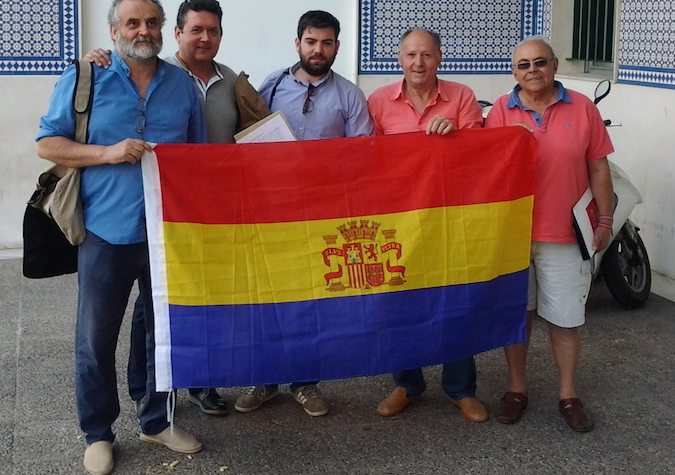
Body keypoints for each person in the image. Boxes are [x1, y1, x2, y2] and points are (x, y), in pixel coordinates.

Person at [36, 0, 208, 473]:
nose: (143, 30)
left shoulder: (181, 86)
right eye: (132, 22)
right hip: (105, 233)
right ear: (114, 31)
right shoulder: (86, 78)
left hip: (163, 235)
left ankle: (156, 421)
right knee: (95, 339)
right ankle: (98, 433)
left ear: (163, 30)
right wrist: (108, 152)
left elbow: (197, 158)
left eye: (152, 22)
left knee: (161, 335)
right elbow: (47, 143)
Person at [83, 0, 254, 417]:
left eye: (212, 31)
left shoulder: (218, 82)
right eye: (196, 29)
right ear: (176, 33)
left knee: (174, 318)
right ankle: (119, 410)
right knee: (115, 328)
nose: (205, 38)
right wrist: (109, 152)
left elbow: (216, 149)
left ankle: (171, 405)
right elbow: (49, 142)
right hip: (114, 225)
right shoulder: (103, 74)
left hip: (182, 222)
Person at [233, 10, 374, 417]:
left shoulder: (349, 95)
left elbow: (365, 156)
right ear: (298, 43)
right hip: (273, 212)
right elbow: (249, 136)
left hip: (322, 215)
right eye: (311, 41)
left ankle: (306, 383)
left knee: (313, 298)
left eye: (327, 43)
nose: (318, 50)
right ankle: (265, 379)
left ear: (337, 47)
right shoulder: (272, 86)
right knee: (269, 296)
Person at [485, 36, 614, 432]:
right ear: (514, 72)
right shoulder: (500, 114)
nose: (532, 71)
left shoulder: (584, 108)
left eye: (540, 63)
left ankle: (568, 395)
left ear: (555, 65)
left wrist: (605, 222)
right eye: (523, 65)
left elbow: (598, 168)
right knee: (517, 316)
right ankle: (517, 390)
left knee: (565, 320)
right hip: (514, 233)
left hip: (565, 233)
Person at [365, 29, 488, 423]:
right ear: (399, 59)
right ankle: (407, 384)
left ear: (439, 59)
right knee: (402, 300)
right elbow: (372, 159)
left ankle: (460, 389)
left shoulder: (462, 96)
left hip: (452, 217)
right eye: (411, 55)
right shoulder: (379, 101)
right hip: (400, 219)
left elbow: (480, 155)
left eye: (427, 55)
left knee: (456, 300)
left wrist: (455, 136)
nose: (419, 63)